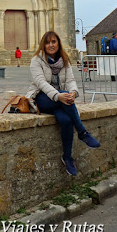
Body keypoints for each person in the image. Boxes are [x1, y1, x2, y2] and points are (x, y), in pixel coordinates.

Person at [26, 31, 100, 176]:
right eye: (47, 42)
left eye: (53, 42)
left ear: (58, 43)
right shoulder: (36, 60)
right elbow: (40, 83)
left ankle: (67, 157)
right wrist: (58, 95)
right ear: (43, 45)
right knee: (65, 99)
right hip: (42, 98)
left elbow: (71, 81)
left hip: (60, 101)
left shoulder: (64, 60)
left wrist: (73, 93)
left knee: (66, 121)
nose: (50, 45)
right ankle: (82, 131)